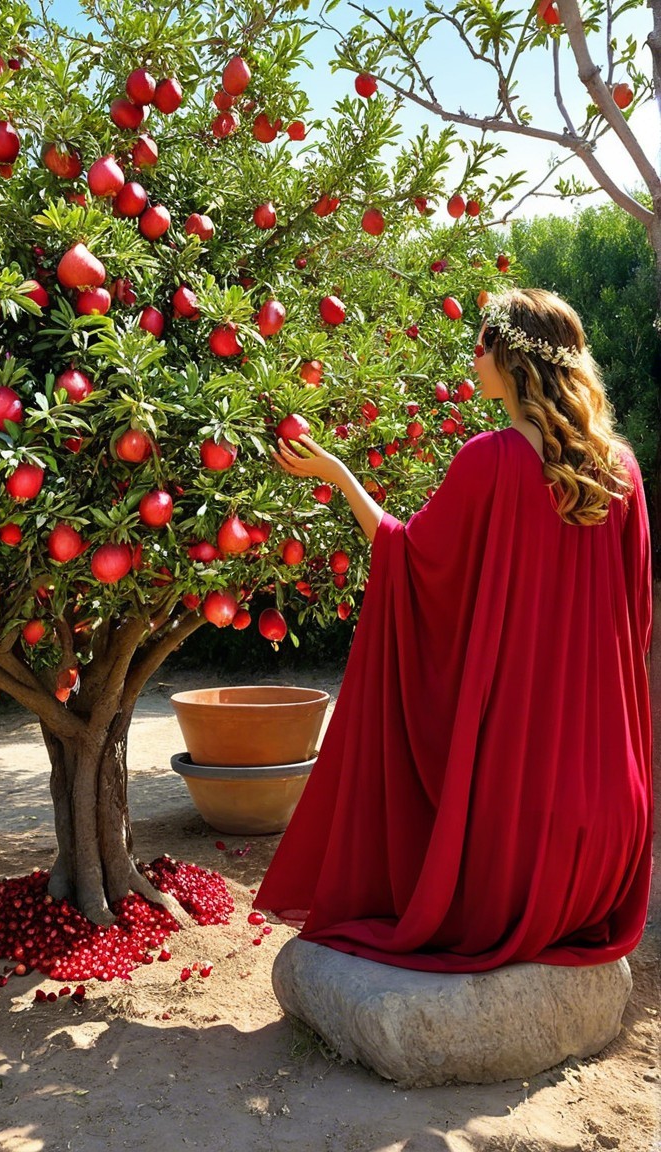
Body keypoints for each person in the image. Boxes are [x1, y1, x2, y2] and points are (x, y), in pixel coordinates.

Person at [253, 287, 653, 973]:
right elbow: (635, 623)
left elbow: (407, 560)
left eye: (482, 343)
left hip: (516, 852)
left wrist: (339, 475)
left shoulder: (489, 460)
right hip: (608, 840)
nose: (473, 356)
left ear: (513, 359)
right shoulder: (622, 471)